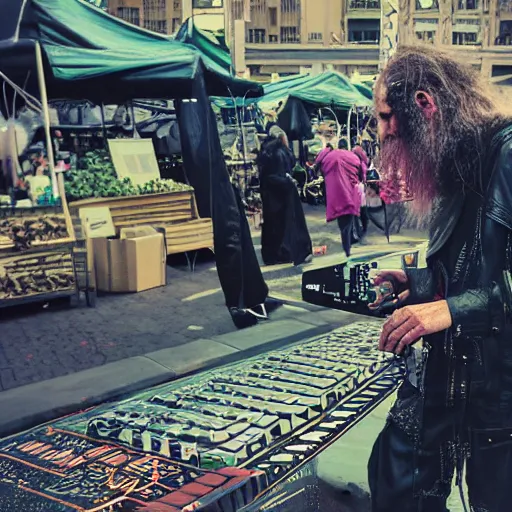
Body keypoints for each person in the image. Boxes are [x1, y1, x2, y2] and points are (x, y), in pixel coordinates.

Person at [367, 45, 512, 512]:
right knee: (395, 481)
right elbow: (478, 265)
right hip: (456, 376)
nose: (385, 132)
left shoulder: (507, 154)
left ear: (426, 105)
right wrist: (423, 284)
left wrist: (448, 309)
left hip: (499, 388)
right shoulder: (459, 157)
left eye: (389, 117)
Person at [257, 126, 312, 266]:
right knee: (287, 225)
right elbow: (286, 169)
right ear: (282, 138)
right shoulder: (281, 152)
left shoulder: (265, 151)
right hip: (283, 194)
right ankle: (286, 253)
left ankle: (272, 256)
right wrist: (288, 181)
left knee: (272, 226)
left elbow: (266, 176)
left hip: (269, 197)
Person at [315, 138, 362, 257]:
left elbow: (319, 167)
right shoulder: (353, 157)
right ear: (346, 147)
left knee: (343, 225)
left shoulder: (329, 157)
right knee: (348, 221)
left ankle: (347, 246)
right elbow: (360, 174)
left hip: (336, 196)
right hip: (351, 195)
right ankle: (347, 249)